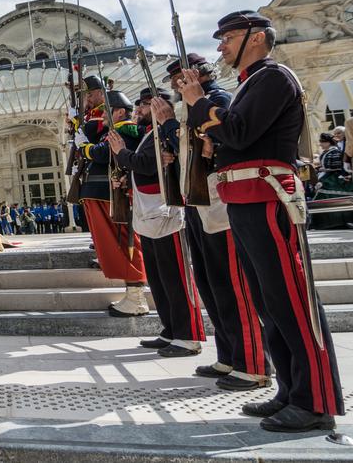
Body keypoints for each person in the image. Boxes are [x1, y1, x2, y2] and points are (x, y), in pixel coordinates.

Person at [181, 10, 343, 431]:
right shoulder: (251, 83)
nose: (221, 47)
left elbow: (238, 132)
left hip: (268, 198)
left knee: (291, 301)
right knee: (270, 303)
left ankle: (314, 400)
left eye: (228, 37)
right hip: (246, 199)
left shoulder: (274, 77)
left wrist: (199, 103)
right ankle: (290, 390)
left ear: (255, 38)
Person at [152, 53, 270, 391]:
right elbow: (190, 149)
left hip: (219, 199)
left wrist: (172, 126)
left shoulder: (216, 100)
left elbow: (216, 142)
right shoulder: (193, 106)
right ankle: (230, 354)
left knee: (233, 284)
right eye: (175, 81)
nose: (177, 86)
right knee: (211, 282)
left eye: (181, 78)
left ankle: (253, 362)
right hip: (198, 200)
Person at [109, 88, 206, 357]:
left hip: (167, 217)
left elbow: (148, 164)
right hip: (150, 217)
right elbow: (147, 170)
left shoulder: (163, 133)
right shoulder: (149, 134)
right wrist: (127, 179)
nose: (137, 110)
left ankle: (188, 336)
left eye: (143, 105)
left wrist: (121, 153)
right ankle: (171, 329)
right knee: (160, 280)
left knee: (175, 279)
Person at [76, 77, 149, 316]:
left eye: (107, 113)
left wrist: (84, 147)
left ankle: (136, 297)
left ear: (119, 112)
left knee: (124, 242)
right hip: (102, 192)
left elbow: (103, 154)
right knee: (115, 244)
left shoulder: (124, 130)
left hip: (110, 193)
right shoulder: (116, 130)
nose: (103, 117)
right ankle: (132, 294)